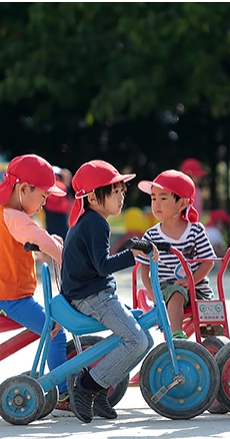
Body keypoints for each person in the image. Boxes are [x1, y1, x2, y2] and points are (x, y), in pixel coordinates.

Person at [61, 160, 157, 423]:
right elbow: (103, 266)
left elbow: (98, 264)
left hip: (91, 293)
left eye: (122, 191)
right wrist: (134, 254)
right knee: (136, 340)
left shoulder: (90, 220)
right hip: (91, 297)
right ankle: (87, 386)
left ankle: (101, 389)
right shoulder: (95, 223)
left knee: (145, 340)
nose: (121, 196)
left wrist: (131, 251)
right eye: (115, 192)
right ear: (93, 196)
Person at [0, 154, 70, 409]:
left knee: (53, 327)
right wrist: (73, 264)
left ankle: (63, 384)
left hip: (15, 296)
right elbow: (42, 240)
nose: (44, 203)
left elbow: (41, 238)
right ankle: (64, 394)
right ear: (24, 189)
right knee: (54, 332)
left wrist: (57, 245)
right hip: (11, 299)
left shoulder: (9, 215)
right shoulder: (14, 218)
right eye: (43, 196)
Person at [136, 170, 216, 339]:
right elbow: (143, 269)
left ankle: (213, 345)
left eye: (163, 198)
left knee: (213, 311)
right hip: (166, 288)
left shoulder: (195, 230)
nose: (156, 204)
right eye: (153, 198)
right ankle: (177, 335)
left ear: (182, 203)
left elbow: (208, 261)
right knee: (177, 292)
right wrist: (153, 294)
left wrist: (191, 280)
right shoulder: (151, 235)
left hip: (197, 286)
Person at [43, 166, 73, 240]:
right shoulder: (62, 185)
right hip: (61, 216)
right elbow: (68, 202)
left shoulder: (48, 186)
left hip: (49, 214)